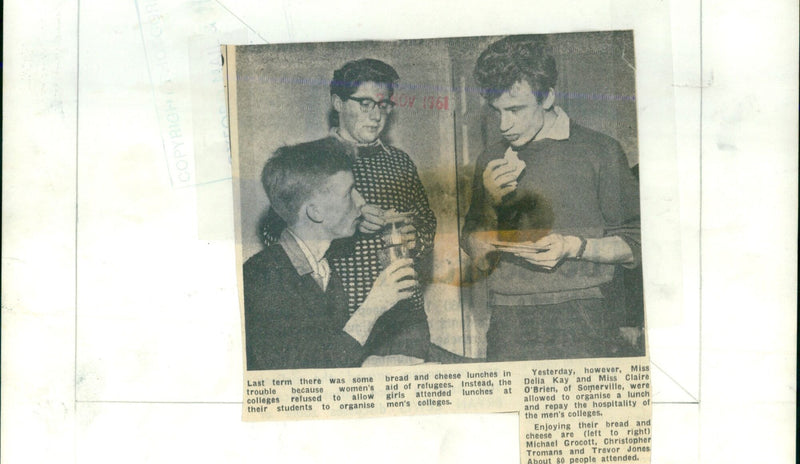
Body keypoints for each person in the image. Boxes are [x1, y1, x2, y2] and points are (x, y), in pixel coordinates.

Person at [461, 35, 642, 361]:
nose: (504, 125)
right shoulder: (490, 159)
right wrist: (489, 202)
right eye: (497, 111)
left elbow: (638, 244)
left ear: (547, 98)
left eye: (515, 110)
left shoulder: (600, 151)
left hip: (583, 313)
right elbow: (476, 252)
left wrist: (574, 247)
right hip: (507, 317)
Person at [261, 59, 437, 360]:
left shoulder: (400, 161)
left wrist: (412, 236)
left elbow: (427, 225)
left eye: (383, 105)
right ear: (338, 103)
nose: (376, 115)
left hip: (405, 316)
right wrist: (350, 230)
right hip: (344, 320)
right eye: (365, 103)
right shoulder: (315, 160)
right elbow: (274, 235)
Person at [243, 137, 419, 370]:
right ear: (315, 211)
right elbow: (303, 377)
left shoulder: (323, 269)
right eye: (349, 193)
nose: (361, 202)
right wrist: (373, 306)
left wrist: (377, 363)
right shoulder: (261, 277)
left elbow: (331, 353)